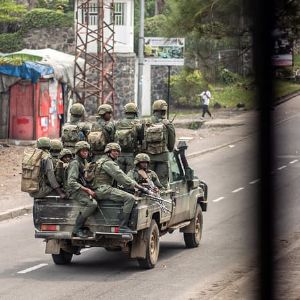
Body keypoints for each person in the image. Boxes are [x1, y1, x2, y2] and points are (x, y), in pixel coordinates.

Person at [91, 143, 145, 232]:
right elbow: (121, 176)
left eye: (118, 151)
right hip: (104, 190)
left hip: (100, 188)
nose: (116, 153)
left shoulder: (101, 160)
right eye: (114, 151)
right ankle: (122, 226)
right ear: (108, 152)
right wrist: (137, 186)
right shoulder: (109, 163)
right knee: (130, 198)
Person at [66, 141, 98, 238]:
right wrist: (87, 190)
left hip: (81, 188)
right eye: (83, 151)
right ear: (78, 151)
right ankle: (77, 229)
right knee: (92, 204)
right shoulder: (75, 163)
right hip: (74, 190)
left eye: (87, 151)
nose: (85, 153)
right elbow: (71, 182)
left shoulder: (84, 161)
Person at [143, 99, 176, 187]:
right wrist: (169, 149)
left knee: (147, 182)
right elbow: (171, 145)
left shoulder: (145, 122)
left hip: (148, 157)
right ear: (165, 111)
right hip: (162, 157)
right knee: (162, 183)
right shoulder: (168, 124)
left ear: (154, 109)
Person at [115, 102, 143, 173]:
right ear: (135, 112)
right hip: (133, 155)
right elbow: (142, 139)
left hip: (119, 155)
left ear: (125, 111)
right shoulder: (138, 124)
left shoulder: (118, 123)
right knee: (131, 178)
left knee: (120, 178)